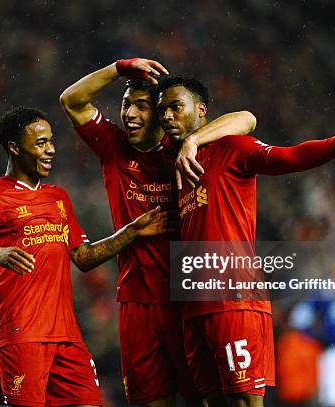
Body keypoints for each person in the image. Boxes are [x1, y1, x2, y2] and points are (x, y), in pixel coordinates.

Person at [156, 75, 335, 407]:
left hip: (235, 299)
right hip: (193, 304)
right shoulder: (173, 162)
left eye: (176, 107)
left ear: (201, 109)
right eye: (162, 109)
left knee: (245, 402)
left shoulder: (231, 148)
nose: (166, 116)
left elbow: (282, 151)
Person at [59, 58, 257, 406]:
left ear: (163, 114)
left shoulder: (183, 152)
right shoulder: (113, 147)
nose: (130, 114)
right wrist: (119, 68)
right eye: (125, 105)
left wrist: (194, 141)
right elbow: (71, 100)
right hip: (137, 303)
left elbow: (246, 119)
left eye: (142, 107)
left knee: (205, 399)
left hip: (188, 301)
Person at [0, 106, 170, 407]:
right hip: (21, 334)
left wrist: (131, 232)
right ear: (14, 148)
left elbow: (83, 257)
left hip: (66, 335)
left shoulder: (57, 197)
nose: (51, 150)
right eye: (40, 143)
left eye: (51, 141)